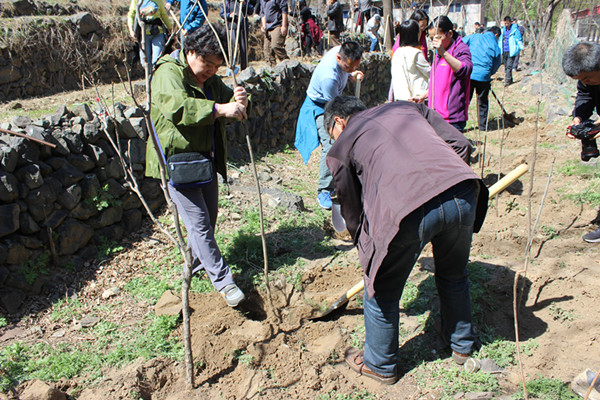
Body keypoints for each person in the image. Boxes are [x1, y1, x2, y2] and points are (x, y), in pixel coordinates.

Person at [324, 96, 488, 384]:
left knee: (381, 289)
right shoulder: (407, 107)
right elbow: (461, 144)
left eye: (332, 135)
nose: (334, 140)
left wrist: (364, 245)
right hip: (463, 191)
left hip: (407, 209)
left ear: (338, 121)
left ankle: (380, 364)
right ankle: (462, 346)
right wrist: (442, 189)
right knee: (454, 274)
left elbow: (350, 205)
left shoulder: (343, 143)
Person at [146, 24, 249, 307]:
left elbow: (227, 97)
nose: (212, 71)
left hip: (203, 160)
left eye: (217, 66)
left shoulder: (209, 78)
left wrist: (238, 101)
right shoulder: (168, 73)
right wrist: (219, 109)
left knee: (209, 218)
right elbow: (178, 107)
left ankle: (195, 266)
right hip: (177, 162)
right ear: (190, 51)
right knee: (200, 224)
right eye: (207, 64)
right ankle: (225, 283)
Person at [294, 41, 364, 210]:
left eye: (354, 66)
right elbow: (333, 107)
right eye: (348, 67)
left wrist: (351, 74)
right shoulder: (328, 77)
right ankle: (324, 190)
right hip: (320, 106)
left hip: (333, 100)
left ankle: (345, 180)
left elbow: (346, 72)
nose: (349, 69)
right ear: (338, 58)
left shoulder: (341, 54)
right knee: (332, 144)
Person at [562, 41, 600, 243]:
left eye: (586, 78)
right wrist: (579, 118)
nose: (584, 82)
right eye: (580, 80)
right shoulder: (588, 81)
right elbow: (584, 96)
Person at [429, 15, 473, 132]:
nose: (435, 42)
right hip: (436, 116)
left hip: (452, 119)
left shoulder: (460, 49)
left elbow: (465, 69)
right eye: (432, 38)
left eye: (438, 37)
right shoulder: (438, 52)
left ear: (449, 33)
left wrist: (443, 53)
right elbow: (440, 82)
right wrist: (425, 95)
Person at [463, 26, 502, 131]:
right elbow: (497, 62)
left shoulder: (474, 37)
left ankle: (460, 124)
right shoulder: (494, 44)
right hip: (484, 76)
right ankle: (483, 127)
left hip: (469, 74)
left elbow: (460, 43)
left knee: (465, 100)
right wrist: (489, 73)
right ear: (496, 35)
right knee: (483, 102)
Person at [390, 20, 430, 103]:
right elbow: (431, 73)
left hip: (399, 98)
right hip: (415, 99)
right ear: (415, 34)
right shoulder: (416, 53)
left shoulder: (397, 52)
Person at [128, 0, 172, 68]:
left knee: (156, 61)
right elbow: (131, 14)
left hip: (158, 33)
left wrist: (170, 29)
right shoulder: (137, 1)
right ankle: (149, 76)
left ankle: (154, 78)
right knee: (144, 62)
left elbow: (164, 15)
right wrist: (131, 30)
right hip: (143, 35)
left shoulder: (158, 1)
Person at [220, 0, 254, 71]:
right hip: (231, 27)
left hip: (243, 27)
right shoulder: (228, 2)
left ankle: (244, 68)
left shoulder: (244, 1)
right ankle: (231, 67)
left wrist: (244, 4)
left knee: (243, 48)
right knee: (231, 47)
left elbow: (251, 11)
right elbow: (222, 13)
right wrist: (229, 15)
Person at [261, 0, 289, 65]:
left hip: (278, 25)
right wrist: (263, 25)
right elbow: (262, 13)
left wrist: (284, 26)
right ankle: (272, 70)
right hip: (268, 28)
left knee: (276, 46)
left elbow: (284, 10)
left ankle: (288, 65)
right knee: (267, 51)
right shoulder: (262, 1)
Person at [498, 16, 523, 86]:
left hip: (511, 50)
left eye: (508, 23)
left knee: (509, 66)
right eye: (505, 23)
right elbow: (500, 40)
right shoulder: (503, 30)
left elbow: (519, 39)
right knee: (506, 66)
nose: (506, 25)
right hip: (504, 50)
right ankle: (510, 79)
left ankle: (507, 80)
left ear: (510, 23)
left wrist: (521, 47)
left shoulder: (515, 30)